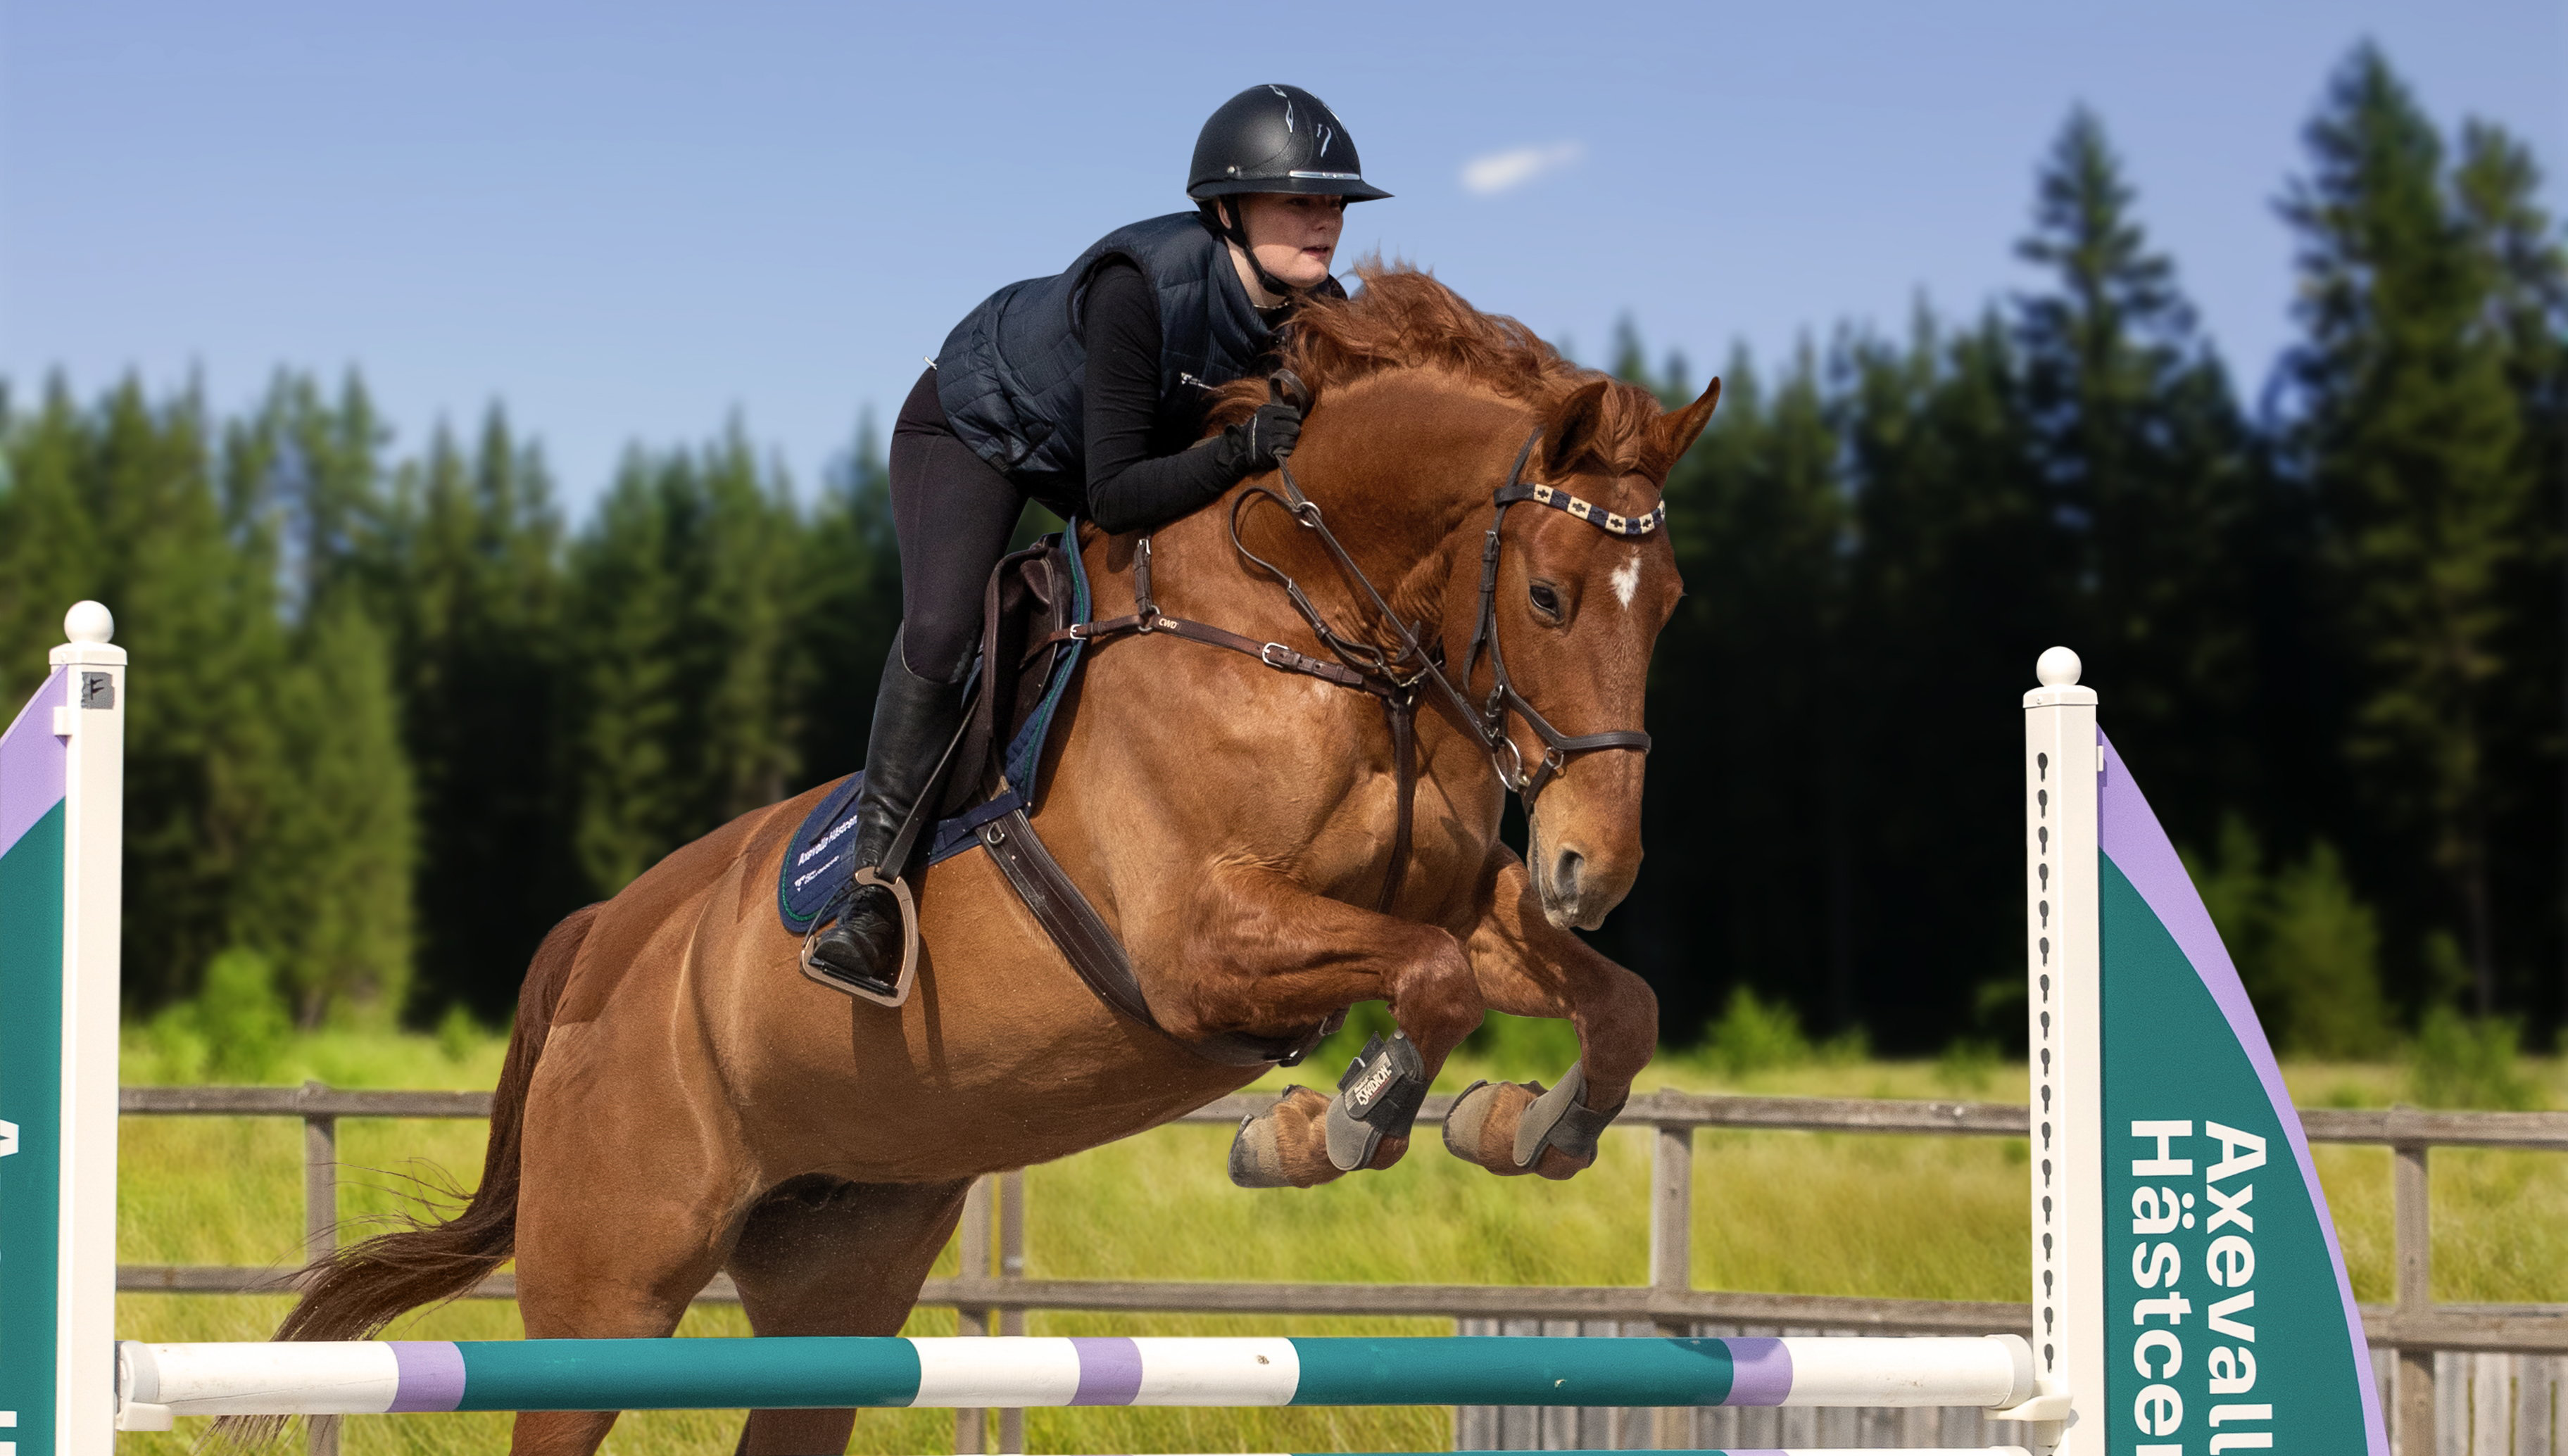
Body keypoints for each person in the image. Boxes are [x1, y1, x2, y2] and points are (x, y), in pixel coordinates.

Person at [804, 83, 1392, 996]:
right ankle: (871, 891)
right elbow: (1115, 496)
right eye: (1300, 202)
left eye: (1336, 205)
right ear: (1228, 210)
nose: (1326, 222)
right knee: (944, 629)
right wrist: (1240, 450)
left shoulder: (1324, 314)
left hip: (1117, 451)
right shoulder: (1141, 286)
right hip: (981, 427)